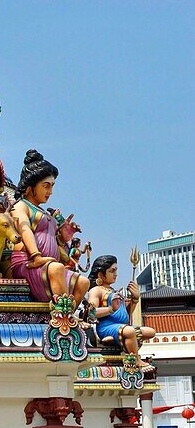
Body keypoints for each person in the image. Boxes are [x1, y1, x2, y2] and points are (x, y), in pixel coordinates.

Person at [10, 149, 89, 307]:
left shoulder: (44, 211)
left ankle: (65, 318)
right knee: (57, 269)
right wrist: (36, 255)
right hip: (28, 263)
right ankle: (62, 321)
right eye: (46, 186)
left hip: (48, 265)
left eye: (52, 186)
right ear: (31, 185)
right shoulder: (21, 206)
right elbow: (25, 230)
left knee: (83, 282)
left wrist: (63, 237)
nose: (50, 192)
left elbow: (51, 240)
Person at [87, 255, 155, 370]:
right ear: (100, 274)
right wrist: (110, 309)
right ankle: (136, 359)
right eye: (112, 271)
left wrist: (134, 299)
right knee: (129, 331)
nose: (116, 274)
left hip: (120, 326)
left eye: (116, 270)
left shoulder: (114, 291)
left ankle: (117, 339)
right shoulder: (96, 290)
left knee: (150, 332)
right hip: (106, 327)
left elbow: (126, 315)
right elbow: (90, 313)